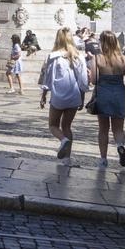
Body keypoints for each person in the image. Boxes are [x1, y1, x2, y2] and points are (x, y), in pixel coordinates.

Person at [39, 28, 89, 166]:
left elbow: (47, 79)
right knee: (67, 126)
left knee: (53, 125)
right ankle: (67, 159)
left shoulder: (53, 56)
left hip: (58, 96)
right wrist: (82, 97)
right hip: (74, 95)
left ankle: (63, 140)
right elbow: (83, 80)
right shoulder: (78, 56)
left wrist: (43, 95)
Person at [91, 32, 125, 168]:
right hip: (119, 94)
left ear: (103, 42)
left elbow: (93, 80)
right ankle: (120, 145)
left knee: (103, 129)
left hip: (103, 94)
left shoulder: (98, 58)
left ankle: (103, 159)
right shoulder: (124, 59)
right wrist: (121, 88)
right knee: (118, 128)